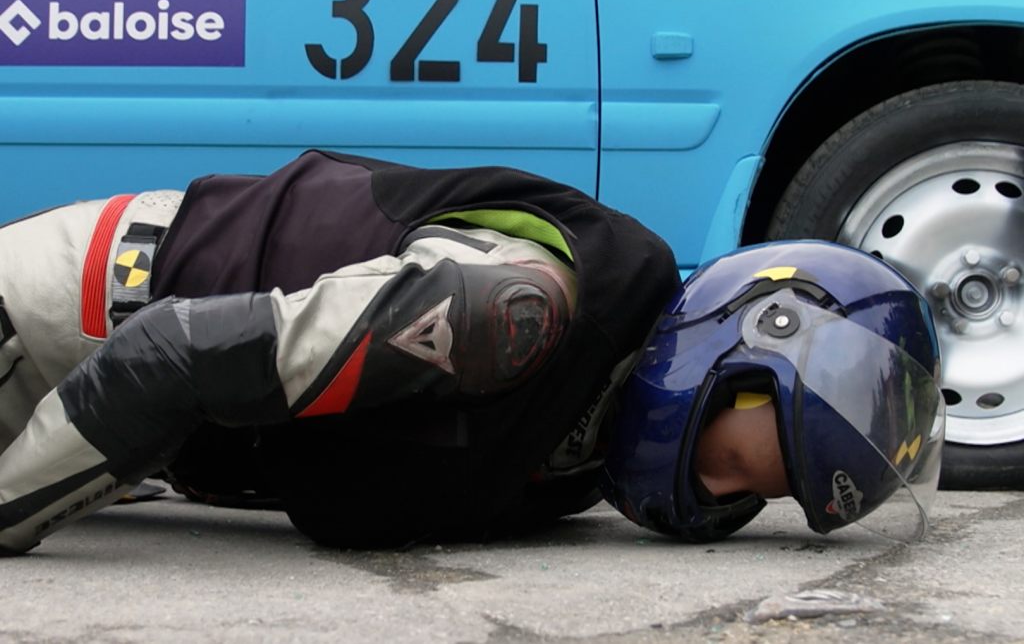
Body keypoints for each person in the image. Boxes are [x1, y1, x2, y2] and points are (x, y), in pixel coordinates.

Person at [0, 150, 943, 555]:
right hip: (71, 313)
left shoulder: (574, 458)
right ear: (739, 361)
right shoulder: (519, 309)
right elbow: (173, 354)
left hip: (127, 436)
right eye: (776, 467)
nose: (748, 505)